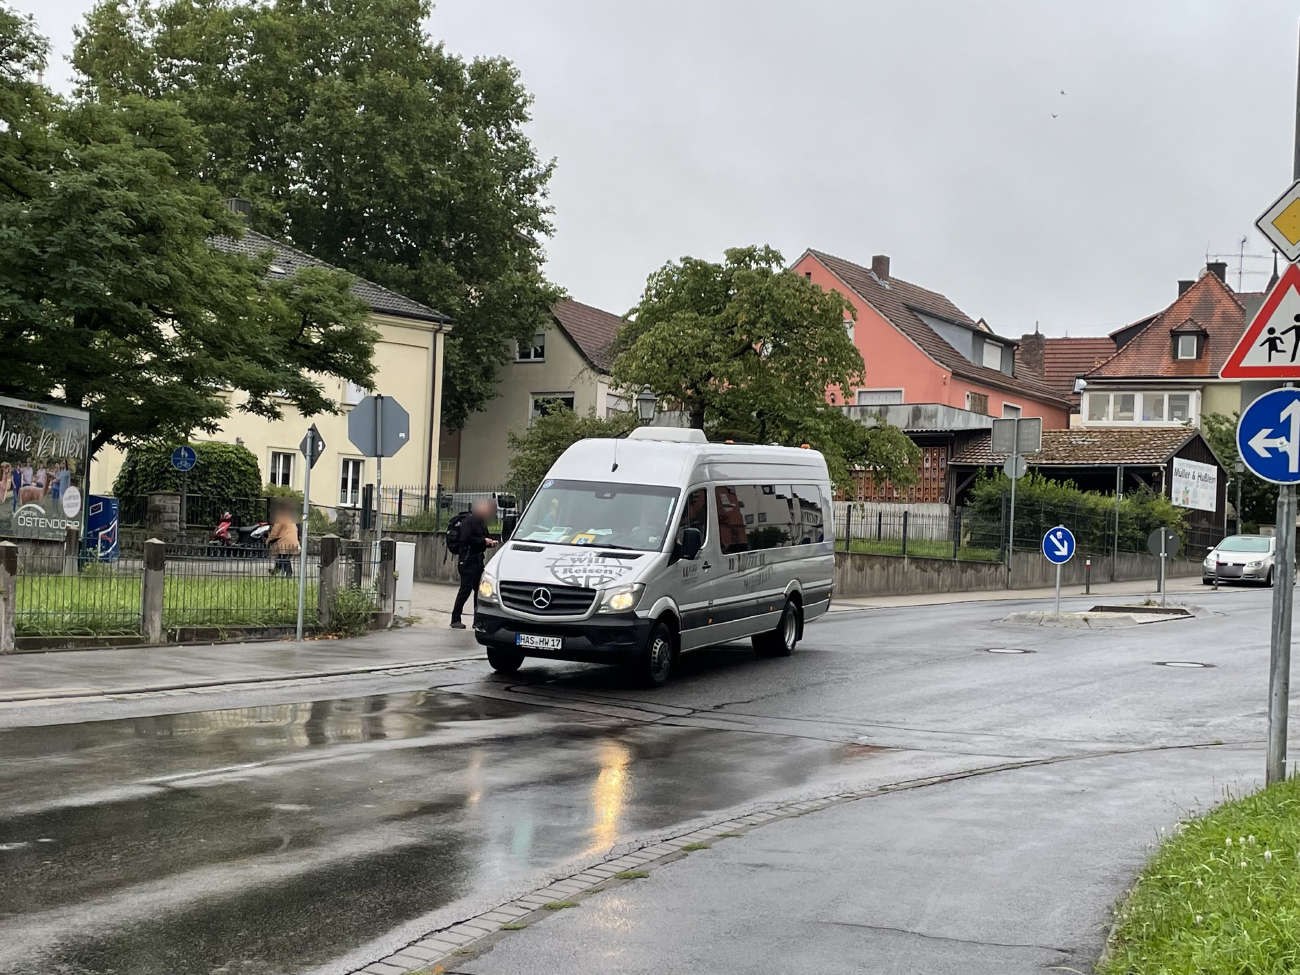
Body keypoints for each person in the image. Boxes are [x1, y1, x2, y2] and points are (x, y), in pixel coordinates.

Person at [450, 498, 498, 629]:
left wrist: (488, 543)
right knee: (465, 589)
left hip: (477, 560)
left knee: (479, 591)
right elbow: (465, 539)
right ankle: (455, 618)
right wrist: (483, 541)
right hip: (467, 560)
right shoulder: (468, 521)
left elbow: (481, 539)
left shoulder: (481, 523)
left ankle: (477, 621)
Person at [267, 509, 300, 577]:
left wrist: (268, 539)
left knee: (284, 558)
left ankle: (288, 574)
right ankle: (276, 571)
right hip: (292, 541)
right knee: (282, 557)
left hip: (285, 541)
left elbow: (275, 530)